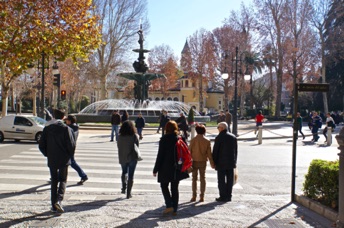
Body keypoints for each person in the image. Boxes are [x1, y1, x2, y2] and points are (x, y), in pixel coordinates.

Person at [39, 109, 76, 213]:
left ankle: (53, 205)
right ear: (63, 117)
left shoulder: (47, 128)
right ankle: (59, 201)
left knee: (54, 181)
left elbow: (41, 145)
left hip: (52, 158)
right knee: (63, 180)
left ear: (54, 116)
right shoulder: (66, 129)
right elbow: (72, 145)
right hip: (64, 158)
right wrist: (69, 155)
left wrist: (48, 154)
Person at [153, 121, 185, 215]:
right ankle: (174, 208)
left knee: (164, 186)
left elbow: (160, 155)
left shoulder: (164, 139)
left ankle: (169, 204)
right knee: (175, 188)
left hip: (165, 167)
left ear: (166, 128)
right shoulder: (180, 138)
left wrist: (156, 169)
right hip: (177, 167)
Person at [189, 124, 215, 202]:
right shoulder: (207, 141)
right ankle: (202, 196)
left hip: (194, 161)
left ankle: (194, 196)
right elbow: (209, 154)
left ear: (196, 131)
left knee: (194, 179)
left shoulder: (193, 140)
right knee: (203, 178)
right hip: (203, 161)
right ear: (204, 131)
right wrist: (212, 163)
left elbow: (189, 151)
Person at [212, 122, 237, 202]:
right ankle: (229, 196)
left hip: (221, 162)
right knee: (230, 180)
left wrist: (214, 162)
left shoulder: (219, 137)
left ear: (222, 128)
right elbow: (235, 151)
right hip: (230, 162)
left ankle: (223, 196)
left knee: (221, 181)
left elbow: (215, 151)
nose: (218, 129)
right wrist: (234, 161)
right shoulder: (233, 137)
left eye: (218, 127)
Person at [117, 120, 139, 199]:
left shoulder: (119, 136)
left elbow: (119, 146)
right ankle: (128, 193)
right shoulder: (134, 136)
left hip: (122, 157)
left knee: (124, 172)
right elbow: (137, 147)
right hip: (132, 157)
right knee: (131, 175)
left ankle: (123, 187)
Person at [64, 115, 88, 185]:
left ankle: (84, 176)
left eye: (67, 120)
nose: (66, 121)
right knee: (68, 163)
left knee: (71, 163)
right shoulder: (74, 127)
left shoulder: (71, 128)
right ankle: (83, 176)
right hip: (71, 147)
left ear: (70, 121)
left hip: (69, 148)